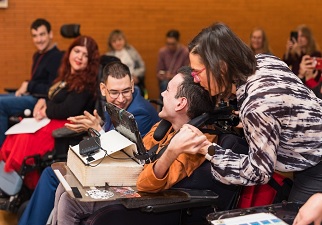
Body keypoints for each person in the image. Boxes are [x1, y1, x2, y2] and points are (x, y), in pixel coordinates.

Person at [167, 22, 322, 204]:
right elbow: (286, 108)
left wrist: (206, 149)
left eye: (196, 72)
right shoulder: (265, 60)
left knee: (300, 217)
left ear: (221, 68)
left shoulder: (256, 105)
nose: (195, 79)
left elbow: (259, 172)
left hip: (316, 161)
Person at [50, 66, 216, 225]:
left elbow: (146, 182)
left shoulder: (195, 142)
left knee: (69, 201)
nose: (162, 93)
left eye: (167, 90)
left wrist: (171, 150)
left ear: (180, 103)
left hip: (149, 199)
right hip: (132, 183)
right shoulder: (163, 127)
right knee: (65, 184)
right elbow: (137, 154)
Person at [18, 61, 160, 225]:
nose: (121, 98)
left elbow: (121, 155)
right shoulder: (119, 104)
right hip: (109, 170)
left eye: (126, 91)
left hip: (124, 180)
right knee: (54, 173)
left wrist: (96, 130)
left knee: (54, 178)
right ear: (103, 89)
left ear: (133, 85)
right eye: (114, 92)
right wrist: (96, 129)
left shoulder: (139, 113)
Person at [0, 35, 100, 193]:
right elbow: (52, 96)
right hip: (52, 120)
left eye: (85, 55)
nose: (80, 57)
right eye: (77, 51)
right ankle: (10, 184)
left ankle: (23, 186)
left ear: (90, 61)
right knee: (15, 133)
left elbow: (68, 109)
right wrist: (44, 102)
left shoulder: (86, 82)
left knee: (24, 138)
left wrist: (45, 110)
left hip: (68, 125)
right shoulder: (66, 76)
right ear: (70, 52)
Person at [0, 18, 63, 147]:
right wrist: (27, 84)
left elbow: (52, 89)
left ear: (50, 34)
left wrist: (28, 85)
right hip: (31, 94)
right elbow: (37, 81)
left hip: (40, 99)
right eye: (35, 36)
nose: (38, 39)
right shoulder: (37, 55)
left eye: (42, 34)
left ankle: (1, 150)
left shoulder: (56, 57)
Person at [105, 29, 146, 97]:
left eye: (120, 39)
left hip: (133, 80)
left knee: (136, 90)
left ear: (124, 40)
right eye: (114, 41)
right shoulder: (108, 55)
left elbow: (142, 66)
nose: (117, 43)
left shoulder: (131, 51)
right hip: (116, 83)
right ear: (110, 43)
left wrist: (135, 75)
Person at [156, 29, 189, 99]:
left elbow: (186, 72)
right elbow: (159, 71)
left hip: (179, 80)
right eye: (168, 44)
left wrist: (172, 76)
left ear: (178, 42)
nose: (170, 46)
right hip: (165, 80)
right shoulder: (162, 52)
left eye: (173, 44)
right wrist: (164, 75)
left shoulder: (185, 52)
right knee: (165, 84)